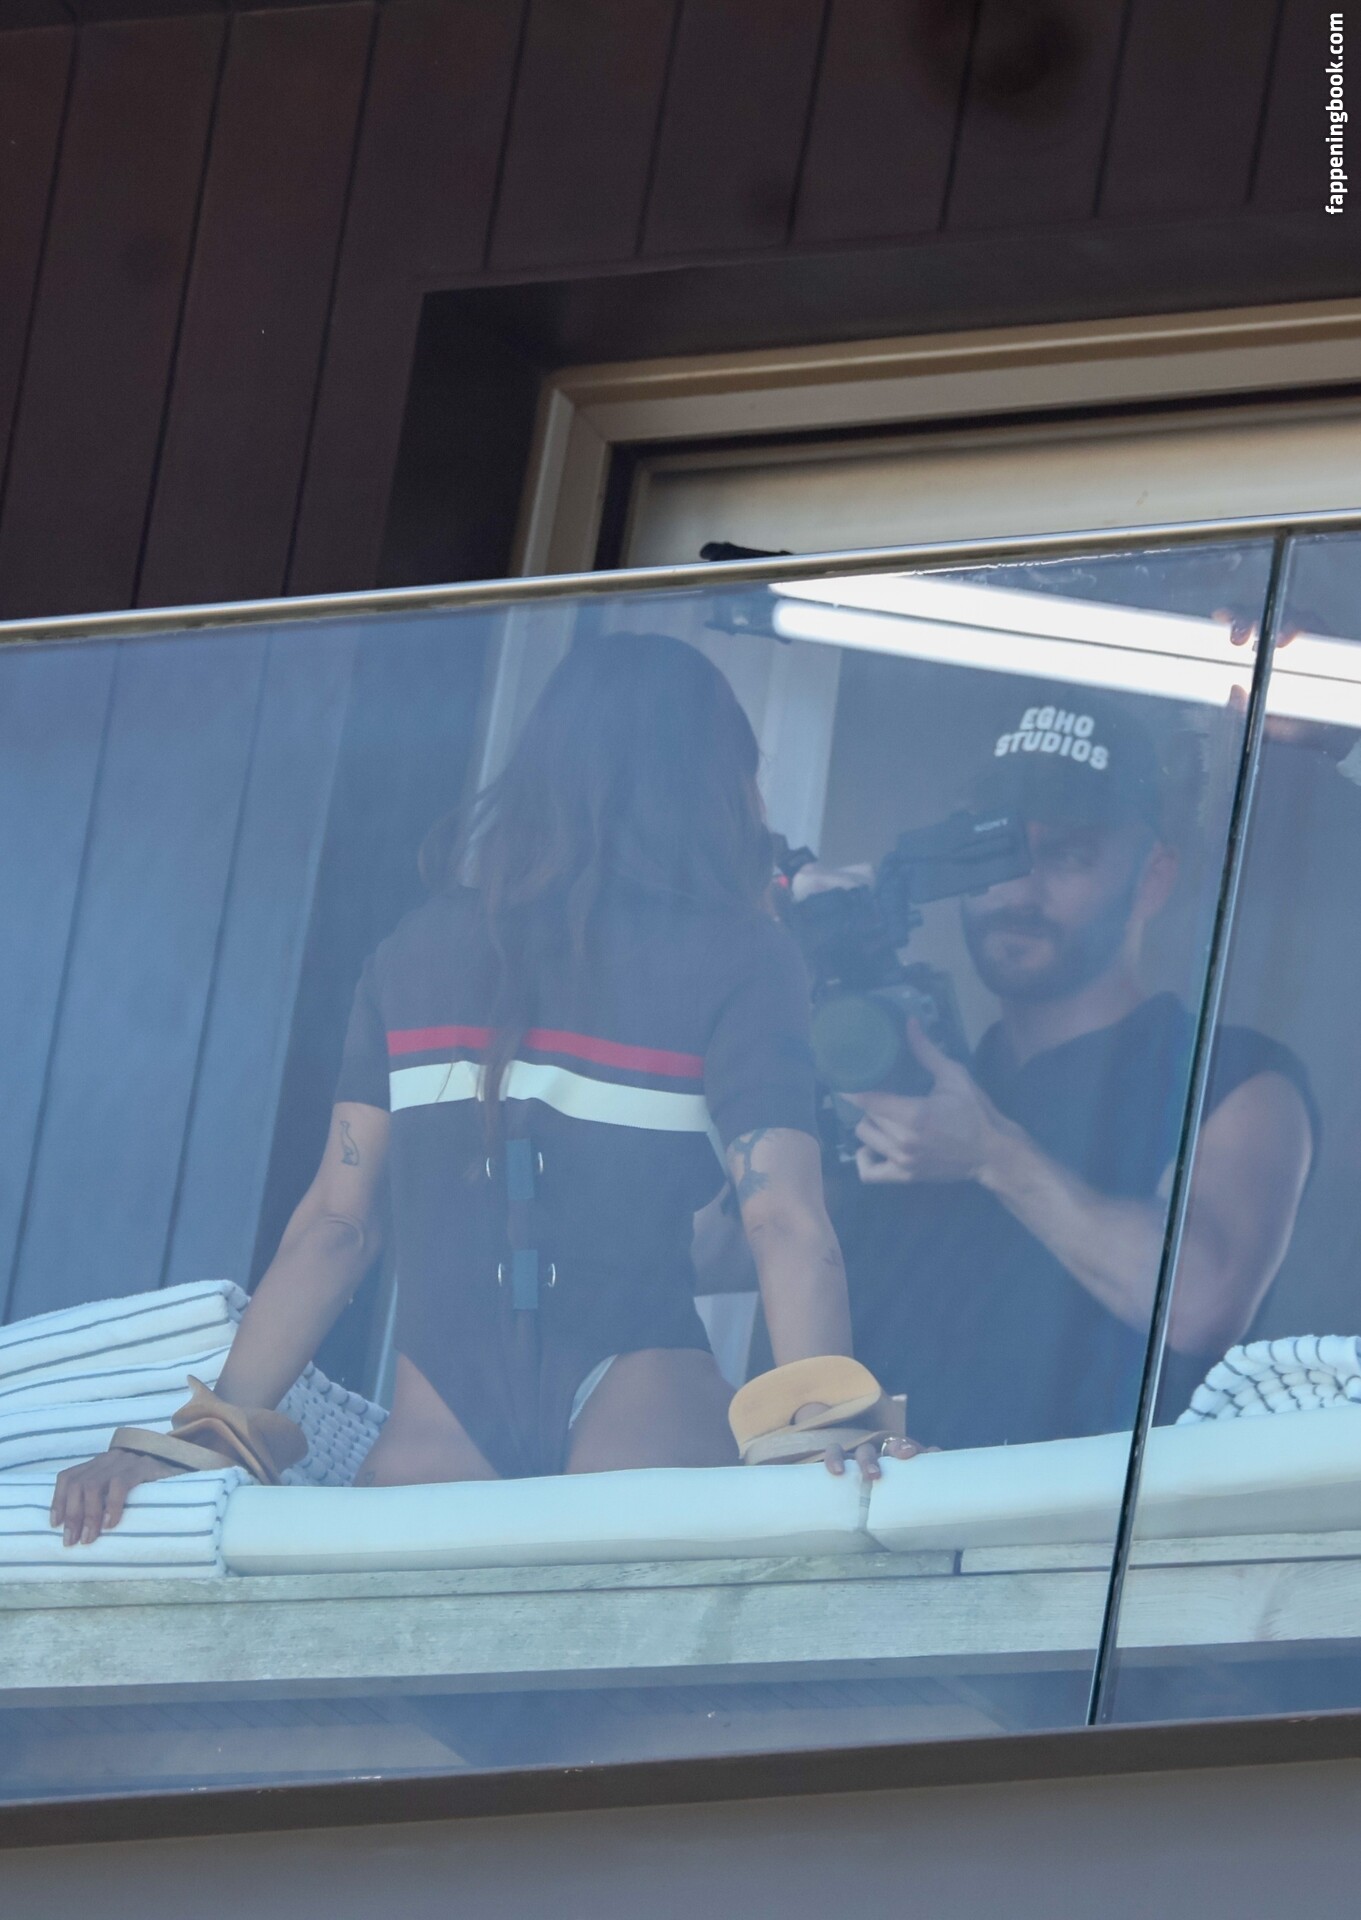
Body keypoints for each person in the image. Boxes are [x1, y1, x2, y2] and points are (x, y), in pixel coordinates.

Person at [52, 631, 916, 1548]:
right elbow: (783, 1220)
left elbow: (336, 1225)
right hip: (647, 1418)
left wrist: (197, 1440)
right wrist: (828, 1429)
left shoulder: (413, 953)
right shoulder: (742, 955)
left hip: (435, 1444)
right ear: (710, 782)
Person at [806, 689, 1318, 1450]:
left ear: (1151, 877)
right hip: (884, 1516)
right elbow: (718, 1250)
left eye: (1066, 856)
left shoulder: (1236, 1077)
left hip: (1089, 1524)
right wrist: (768, 986)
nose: (1018, 892)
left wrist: (991, 1155)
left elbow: (1202, 1303)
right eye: (994, 855)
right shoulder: (922, 1078)